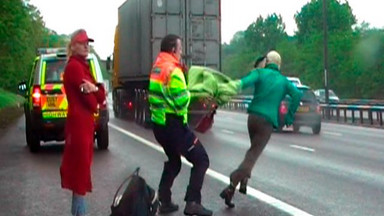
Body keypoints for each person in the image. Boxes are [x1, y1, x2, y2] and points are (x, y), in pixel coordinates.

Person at [219, 50, 302, 208]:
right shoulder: (283, 81)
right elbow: (297, 94)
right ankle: (233, 183)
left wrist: (227, 88)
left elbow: (244, 82)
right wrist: (290, 117)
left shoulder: (259, 72)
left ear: (267, 61)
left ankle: (243, 183)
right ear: (279, 64)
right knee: (253, 155)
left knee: (252, 151)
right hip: (267, 122)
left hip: (253, 119)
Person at [148, 34, 213, 216]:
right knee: (201, 160)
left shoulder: (157, 67)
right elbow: (181, 101)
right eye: (180, 48)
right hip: (173, 126)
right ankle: (192, 202)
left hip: (159, 125)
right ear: (173, 50)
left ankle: (165, 200)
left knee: (175, 162)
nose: (182, 52)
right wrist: (191, 93)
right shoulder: (173, 71)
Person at [60, 29, 106, 216]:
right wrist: (95, 92)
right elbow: (93, 101)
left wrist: (94, 89)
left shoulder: (83, 66)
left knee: (81, 174)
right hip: (79, 126)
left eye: (88, 42)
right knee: (79, 176)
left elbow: (101, 96)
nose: (87, 45)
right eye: (82, 42)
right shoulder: (75, 67)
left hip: (84, 125)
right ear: (73, 45)